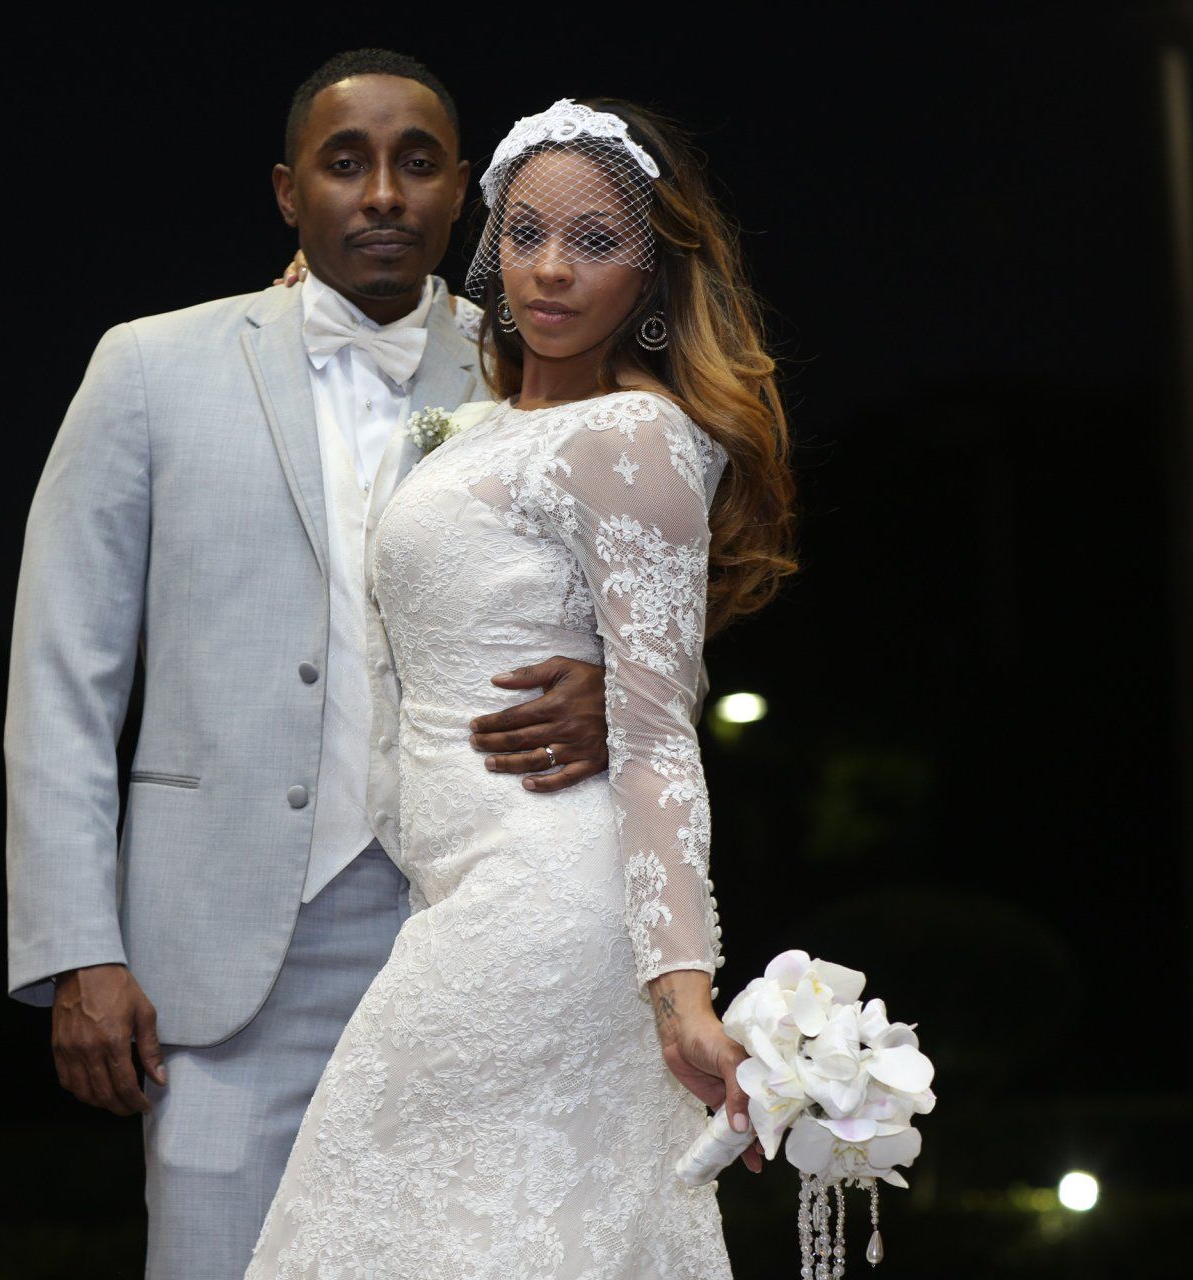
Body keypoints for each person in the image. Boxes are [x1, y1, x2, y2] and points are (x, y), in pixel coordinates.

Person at [3, 52, 619, 1280]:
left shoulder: (544, 373)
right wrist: (80, 943)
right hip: (219, 958)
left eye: (417, 162)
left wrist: (620, 689)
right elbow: (62, 674)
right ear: (291, 193)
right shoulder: (148, 367)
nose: (382, 191)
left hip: (473, 930)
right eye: (347, 162)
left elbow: (653, 604)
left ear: (462, 198)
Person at [246, 97, 798, 1277]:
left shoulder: (633, 436)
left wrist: (682, 989)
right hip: (456, 892)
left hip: (548, 906)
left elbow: (656, 735)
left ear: (654, 273)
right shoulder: (483, 425)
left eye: (596, 242)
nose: (550, 269)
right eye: (528, 231)